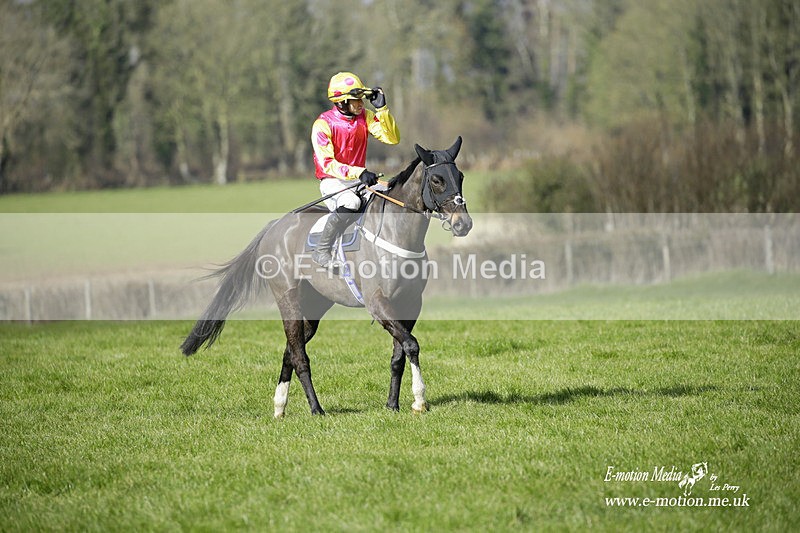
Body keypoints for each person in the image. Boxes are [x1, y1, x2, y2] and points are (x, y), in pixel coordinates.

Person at [310, 71, 400, 269]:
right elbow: (328, 164)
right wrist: (359, 172)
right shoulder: (323, 124)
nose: (361, 103)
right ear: (341, 102)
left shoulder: (365, 117)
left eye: (362, 98)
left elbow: (392, 138)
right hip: (333, 181)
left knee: (389, 197)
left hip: (357, 180)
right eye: (356, 99)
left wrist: (382, 110)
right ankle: (322, 250)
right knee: (351, 202)